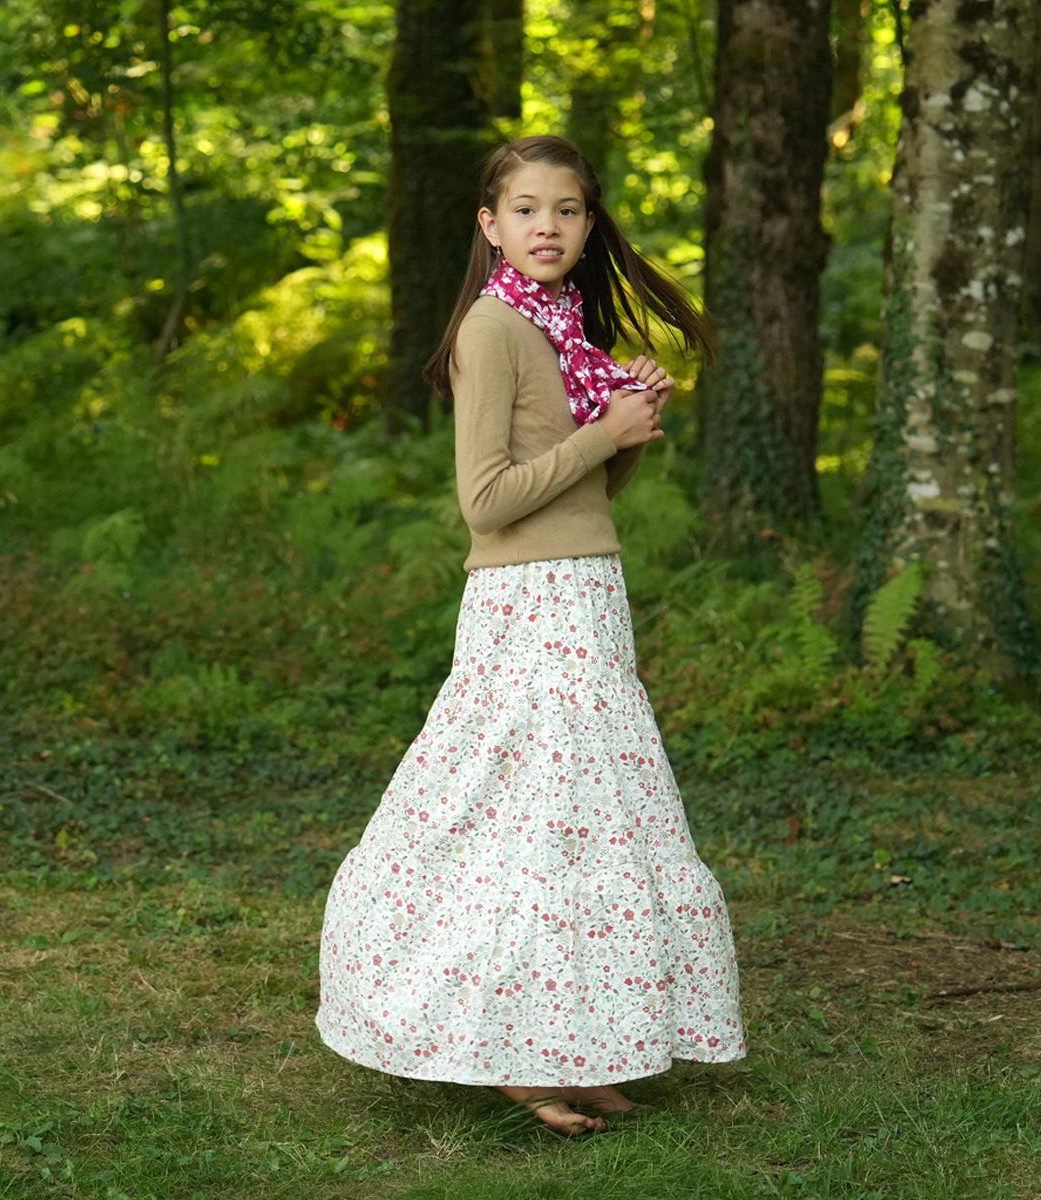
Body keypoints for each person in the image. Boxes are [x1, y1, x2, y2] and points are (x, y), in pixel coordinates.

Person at [316, 135, 744, 1136]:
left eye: (565, 210)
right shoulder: (496, 328)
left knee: (583, 828)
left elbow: (578, 491)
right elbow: (488, 502)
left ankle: (569, 1043)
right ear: (489, 223)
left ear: (589, 226)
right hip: (533, 604)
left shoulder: (562, 329)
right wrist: (606, 432)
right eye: (525, 209)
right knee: (525, 822)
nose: (545, 227)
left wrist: (624, 425)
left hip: (585, 590)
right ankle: (515, 1052)